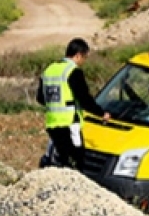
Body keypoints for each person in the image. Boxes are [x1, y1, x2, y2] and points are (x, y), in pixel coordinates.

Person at [36, 38, 110, 170]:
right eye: (84, 58)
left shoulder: (49, 70)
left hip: (52, 123)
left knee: (60, 160)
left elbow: (40, 98)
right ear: (78, 55)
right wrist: (101, 113)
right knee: (77, 159)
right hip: (70, 123)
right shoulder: (73, 71)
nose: (83, 62)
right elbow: (84, 99)